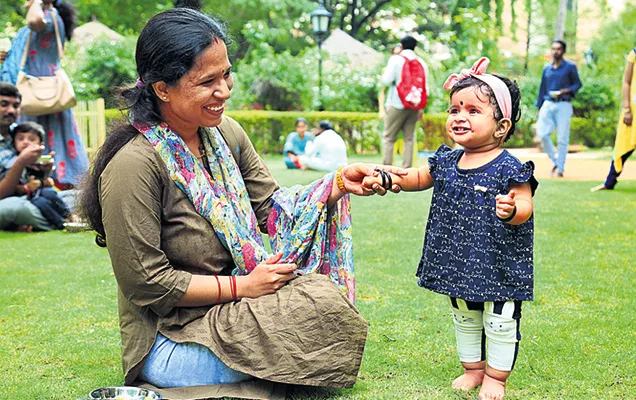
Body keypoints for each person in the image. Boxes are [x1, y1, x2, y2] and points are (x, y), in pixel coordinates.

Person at [79, 9, 405, 399]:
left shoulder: (226, 134)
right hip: (171, 340)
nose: (225, 91)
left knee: (323, 300)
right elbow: (147, 284)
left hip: (238, 311)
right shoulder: (134, 164)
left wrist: (336, 185)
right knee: (311, 326)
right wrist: (243, 286)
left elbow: (272, 207)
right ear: (162, 88)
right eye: (207, 82)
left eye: (226, 75)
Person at [365, 58, 538, 400]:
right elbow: (417, 177)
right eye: (454, 109)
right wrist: (391, 178)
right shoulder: (446, 160)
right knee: (464, 313)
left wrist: (512, 209)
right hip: (456, 257)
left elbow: (525, 205)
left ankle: (496, 377)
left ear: (501, 126)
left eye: (473, 110)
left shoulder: (510, 166)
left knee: (500, 318)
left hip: (496, 260)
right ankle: (473, 369)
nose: (459, 116)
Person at [0, 0, 89, 187]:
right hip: (41, 95)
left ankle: (47, 185)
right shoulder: (47, 15)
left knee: (34, 139)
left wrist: (37, 2)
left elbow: (34, 21)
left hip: (40, 95)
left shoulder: (48, 15)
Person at [592, 20, 636, 193]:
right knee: (624, 145)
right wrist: (626, 108)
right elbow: (626, 81)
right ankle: (610, 181)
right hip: (635, 109)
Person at [0, 82, 56, 231]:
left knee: (74, 196)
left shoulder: (20, 133)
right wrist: (21, 162)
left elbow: (36, 177)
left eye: (15, 105)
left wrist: (44, 169)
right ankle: (57, 221)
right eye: (4, 104)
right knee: (15, 208)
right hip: (6, 201)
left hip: (28, 196)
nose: (11, 110)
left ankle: (30, 222)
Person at [10, 121, 72, 230]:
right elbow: (13, 187)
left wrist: (46, 178)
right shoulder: (12, 162)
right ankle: (61, 224)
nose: (25, 142)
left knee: (50, 193)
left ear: (41, 145)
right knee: (41, 203)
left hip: (40, 192)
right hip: (26, 197)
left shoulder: (40, 160)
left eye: (31, 139)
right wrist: (27, 187)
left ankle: (70, 215)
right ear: (13, 142)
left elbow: (44, 180)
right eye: (20, 139)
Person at [535, 39, 582, 178]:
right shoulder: (546, 68)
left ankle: (560, 169)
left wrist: (567, 90)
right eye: (554, 49)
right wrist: (538, 107)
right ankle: (556, 160)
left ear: (563, 51)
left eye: (559, 49)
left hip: (564, 104)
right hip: (548, 103)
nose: (556, 51)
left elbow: (577, 84)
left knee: (562, 138)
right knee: (542, 134)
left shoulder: (570, 67)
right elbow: (542, 88)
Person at [380, 35, 428, 168]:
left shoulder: (396, 59)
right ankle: (407, 169)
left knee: (389, 137)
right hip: (414, 105)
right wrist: (421, 107)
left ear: (401, 46)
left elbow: (386, 80)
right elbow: (425, 88)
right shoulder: (422, 63)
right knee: (409, 138)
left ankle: (387, 169)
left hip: (396, 103)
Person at [378, 43, 403, 120]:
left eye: (399, 54)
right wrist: (381, 110)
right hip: (390, 106)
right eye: (395, 54)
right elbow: (381, 91)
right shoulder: (387, 71)